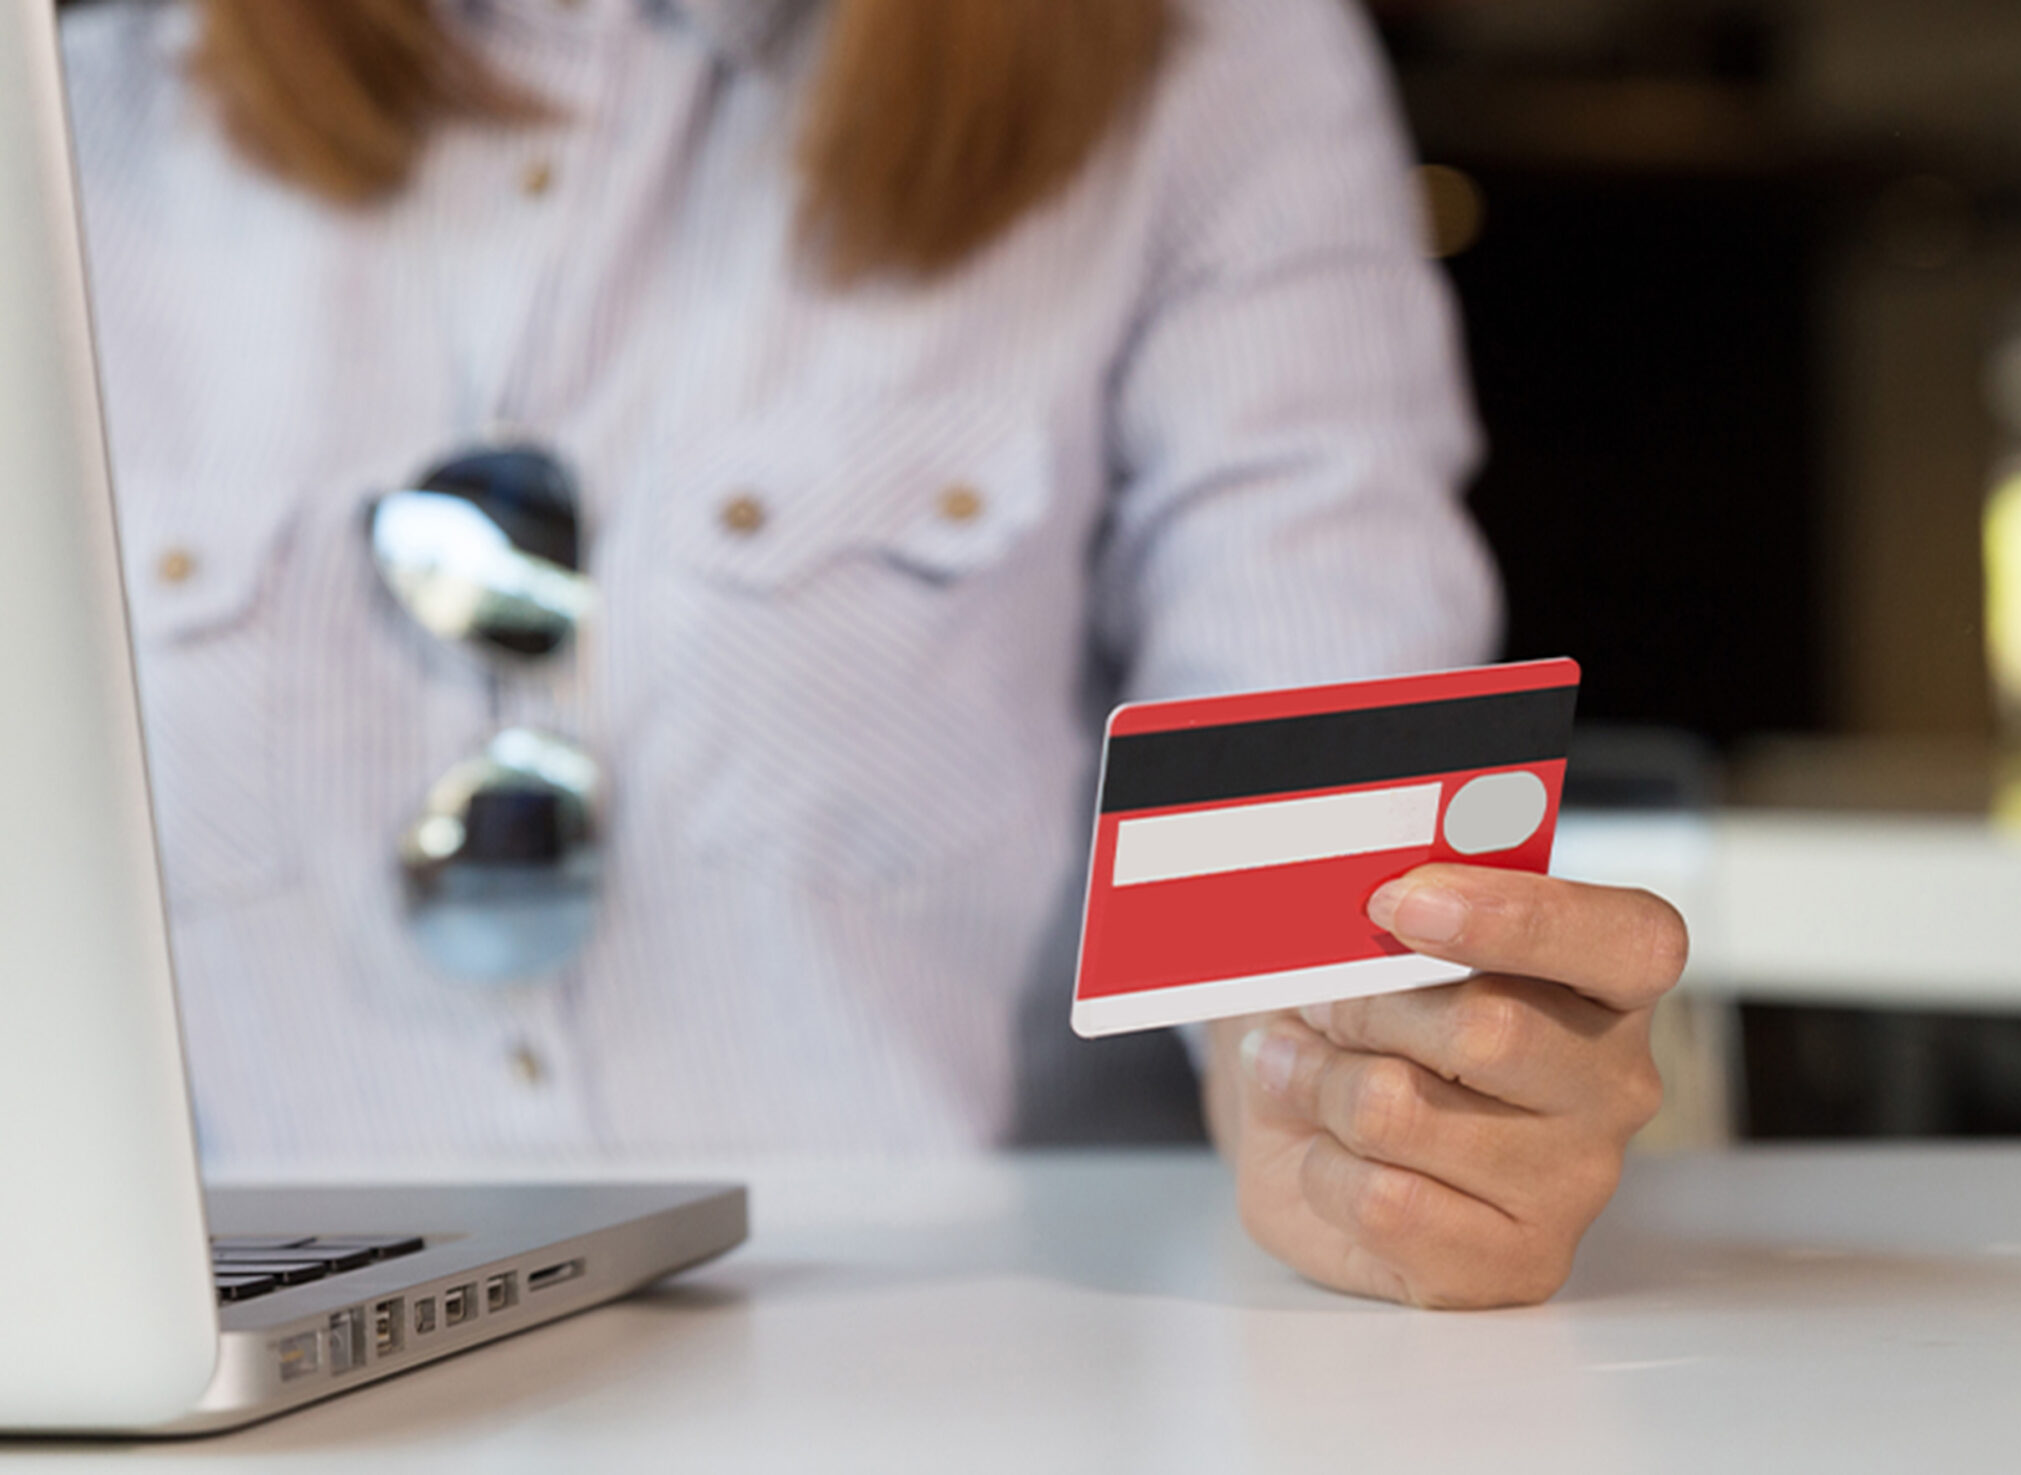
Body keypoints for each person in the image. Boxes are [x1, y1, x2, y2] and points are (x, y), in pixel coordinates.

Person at [61, 0, 1685, 1309]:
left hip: (984, 1379)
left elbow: (1306, 730)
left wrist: (1362, 1106)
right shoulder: (64, 126)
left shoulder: (1209, 62)